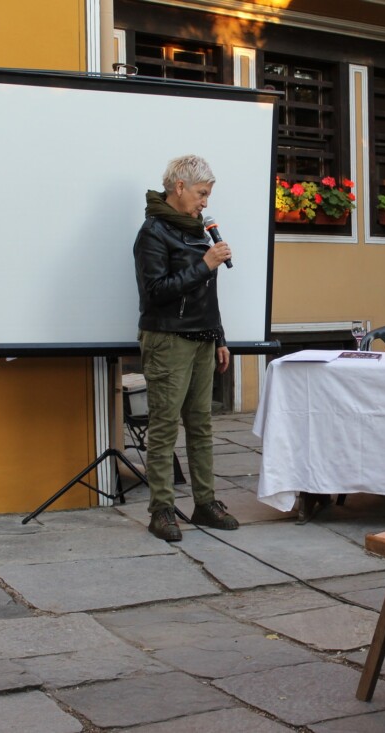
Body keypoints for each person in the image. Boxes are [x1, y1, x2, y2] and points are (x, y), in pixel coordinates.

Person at [133, 154, 239, 541]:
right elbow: (156, 292)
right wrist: (205, 264)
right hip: (168, 339)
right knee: (163, 427)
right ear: (179, 187)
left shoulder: (198, 231)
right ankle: (161, 510)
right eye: (201, 193)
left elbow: (205, 292)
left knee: (201, 426)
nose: (205, 203)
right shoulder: (153, 233)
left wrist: (219, 337)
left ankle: (206, 503)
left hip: (202, 338)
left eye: (207, 195)